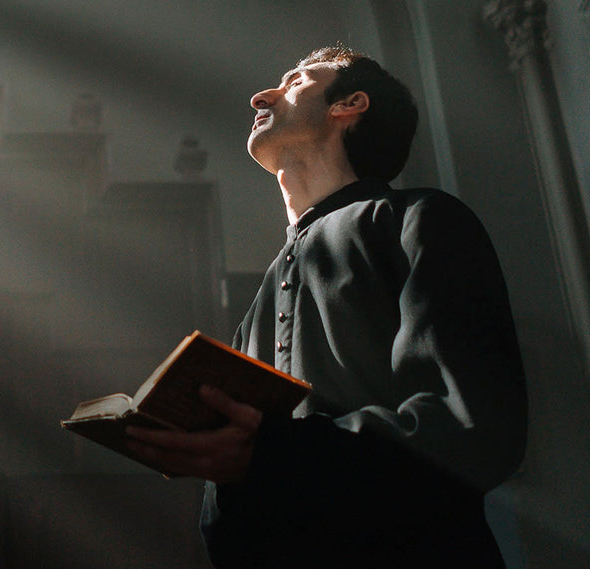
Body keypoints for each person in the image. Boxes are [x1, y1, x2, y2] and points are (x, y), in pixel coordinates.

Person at [126, 46, 528, 568]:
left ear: (350, 105)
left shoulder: (421, 221)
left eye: (295, 81)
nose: (261, 96)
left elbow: (472, 428)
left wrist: (270, 456)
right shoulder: (261, 300)